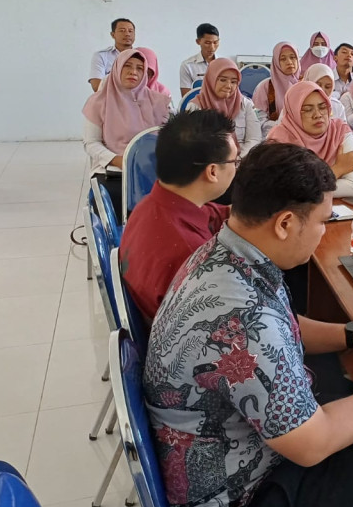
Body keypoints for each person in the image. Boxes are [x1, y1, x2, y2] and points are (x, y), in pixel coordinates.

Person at [144, 143, 353, 507]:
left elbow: (282, 325)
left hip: (248, 447)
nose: (324, 232)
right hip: (242, 498)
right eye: (323, 220)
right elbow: (313, 444)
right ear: (286, 223)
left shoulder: (225, 253)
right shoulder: (244, 317)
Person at [119, 109, 235, 321]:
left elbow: (214, 215)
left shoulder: (152, 204)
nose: (236, 167)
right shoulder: (194, 256)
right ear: (212, 172)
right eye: (234, 161)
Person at [82, 49, 171, 209]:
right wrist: (119, 160)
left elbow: (174, 134)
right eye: (127, 66)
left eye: (139, 68)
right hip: (114, 170)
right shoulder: (99, 102)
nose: (133, 72)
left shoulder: (159, 102)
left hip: (152, 168)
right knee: (117, 201)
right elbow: (91, 143)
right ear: (116, 68)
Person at [268, 81, 353, 197]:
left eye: (323, 107)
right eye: (308, 110)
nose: (318, 115)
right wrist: (338, 168)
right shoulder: (279, 140)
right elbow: (289, 191)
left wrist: (308, 188)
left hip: (340, 209)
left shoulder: (339, 130)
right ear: (293, 112)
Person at [187, 58, 262, 156]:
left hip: (243, 162)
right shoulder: (195, 106)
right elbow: (193, 145)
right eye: (223, 80)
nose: (228, 86)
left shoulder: (246, 104)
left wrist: (238, 160)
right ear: (211, 79)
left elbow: (254, 139)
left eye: (233, 82)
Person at [253, 42, 301, 136]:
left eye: (293, 57)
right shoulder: (266, 86)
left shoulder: (305, 84)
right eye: (283, 59)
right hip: (274, 136)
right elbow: (259, 120)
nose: (289, 62)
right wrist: (284, 128)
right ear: (276, 62)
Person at [88, 18, 135, 92]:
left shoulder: (141, 56)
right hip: (109, 101)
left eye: (130, 31)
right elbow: (97, 86)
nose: (127, 34)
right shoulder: (101, 56)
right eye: (122, 31)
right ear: (113, 35)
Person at [179, 23, 220, 96]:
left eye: (215, 42)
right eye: (207, 43)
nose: (212, 47)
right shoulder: (188, 65)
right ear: (198, 41)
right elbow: (186, 97)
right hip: (198, 106)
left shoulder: (224, 64)